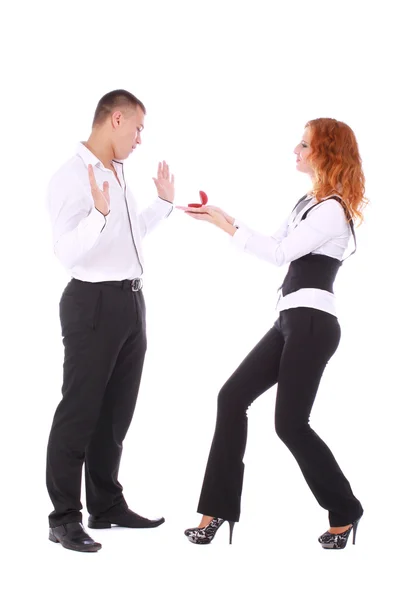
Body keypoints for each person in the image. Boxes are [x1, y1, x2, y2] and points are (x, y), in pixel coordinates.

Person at [178, 118, 367, 549]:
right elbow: (275, 239)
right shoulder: (307, 202)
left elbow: (279, 254)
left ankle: (345, 509)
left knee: (290, 424)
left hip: (313, 323)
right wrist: (223, 217)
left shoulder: (333, 209)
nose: (296, 151)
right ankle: (217, 510)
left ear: (326, 152)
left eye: (304, 145)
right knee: (231, 397)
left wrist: (226, 227)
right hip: (289, 319)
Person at [46, 89, 175, 552]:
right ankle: (63, 518)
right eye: (138, 127)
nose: (140, 138)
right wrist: (99, 214)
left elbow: (127, 236)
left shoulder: (117, 173)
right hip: (92, 304)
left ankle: (105, 505)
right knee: (79, 411)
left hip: (130, 302)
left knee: (116, 414)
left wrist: (162, 204)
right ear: (115, 119)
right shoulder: (71, 177)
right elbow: (67, 252)